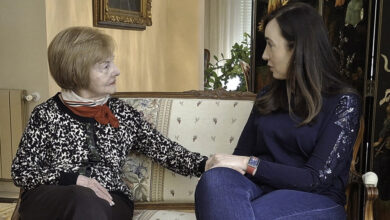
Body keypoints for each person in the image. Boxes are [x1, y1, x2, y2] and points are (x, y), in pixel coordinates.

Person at [11, 26, 207, 220]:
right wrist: (74, 179)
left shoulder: (123, 113)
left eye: (112, 63)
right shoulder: (45, 114)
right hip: (53, 198)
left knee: (89, 204)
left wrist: (208, 163)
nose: (117, 71)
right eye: (105, 66)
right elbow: (22, 171)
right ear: (76, 72)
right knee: (81, 197)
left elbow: (165, 151)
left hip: (110, 198)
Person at [196, 2, 361, 220]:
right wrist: (234, 166)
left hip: (315, 200)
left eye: (271, 45)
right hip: (257, 191)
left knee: (254, 214)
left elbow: (315, 179)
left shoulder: (343, 102)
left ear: (298, 49)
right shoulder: (268, 96)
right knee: (215, 179)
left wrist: (249, 163)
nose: (264, 55)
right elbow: (239, 157)